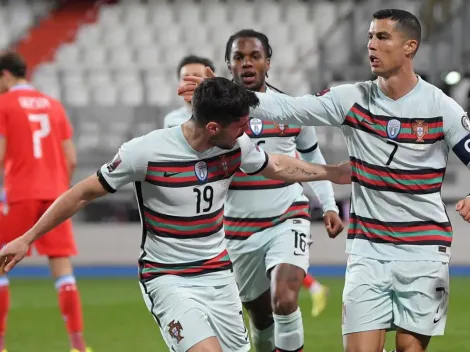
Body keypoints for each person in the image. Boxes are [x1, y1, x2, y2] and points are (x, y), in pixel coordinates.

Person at [178, 9, 470, 352]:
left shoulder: (441, 108)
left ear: (410, 47)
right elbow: (288, 108)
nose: (371, 45)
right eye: (369, 37)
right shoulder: (351, 99)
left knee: (410, 348)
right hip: (367, 250)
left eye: (382, 37)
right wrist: (222, 95)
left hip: (423, 250)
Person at [0, 77, 351, 352]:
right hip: (168, 278)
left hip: (218, 276)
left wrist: (331, 173)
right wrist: (27, 237)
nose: (247, 131)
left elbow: (275, 165)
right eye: (240, 125)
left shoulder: (235, 147)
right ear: (213, 127)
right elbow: (82, 193)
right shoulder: (145, 152)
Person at [222, 29, 343, 352]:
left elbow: (311, 155)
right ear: (228, 64)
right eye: (239, 57)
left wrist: (328, 203)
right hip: (237, 229)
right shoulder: (216, 115)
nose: (247, 63)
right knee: (261, 321)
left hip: (286, 217)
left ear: (268, 63)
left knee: (285, 299)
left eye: (255, 56)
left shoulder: (290, 108)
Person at [0, 52, 90, 352]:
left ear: (5, 75)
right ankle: (78, 346)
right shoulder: (53, 105)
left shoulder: (4, 104)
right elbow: (72, 157)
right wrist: (57, 187)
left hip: (18, 194)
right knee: (63, 271)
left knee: (1, 267)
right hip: (54, 197)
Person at [163, 55, 216, 128]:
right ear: (179, 84)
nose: (190, 81)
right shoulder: (171, 120)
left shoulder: (223, 117)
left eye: (197, 76)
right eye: (185, 77)